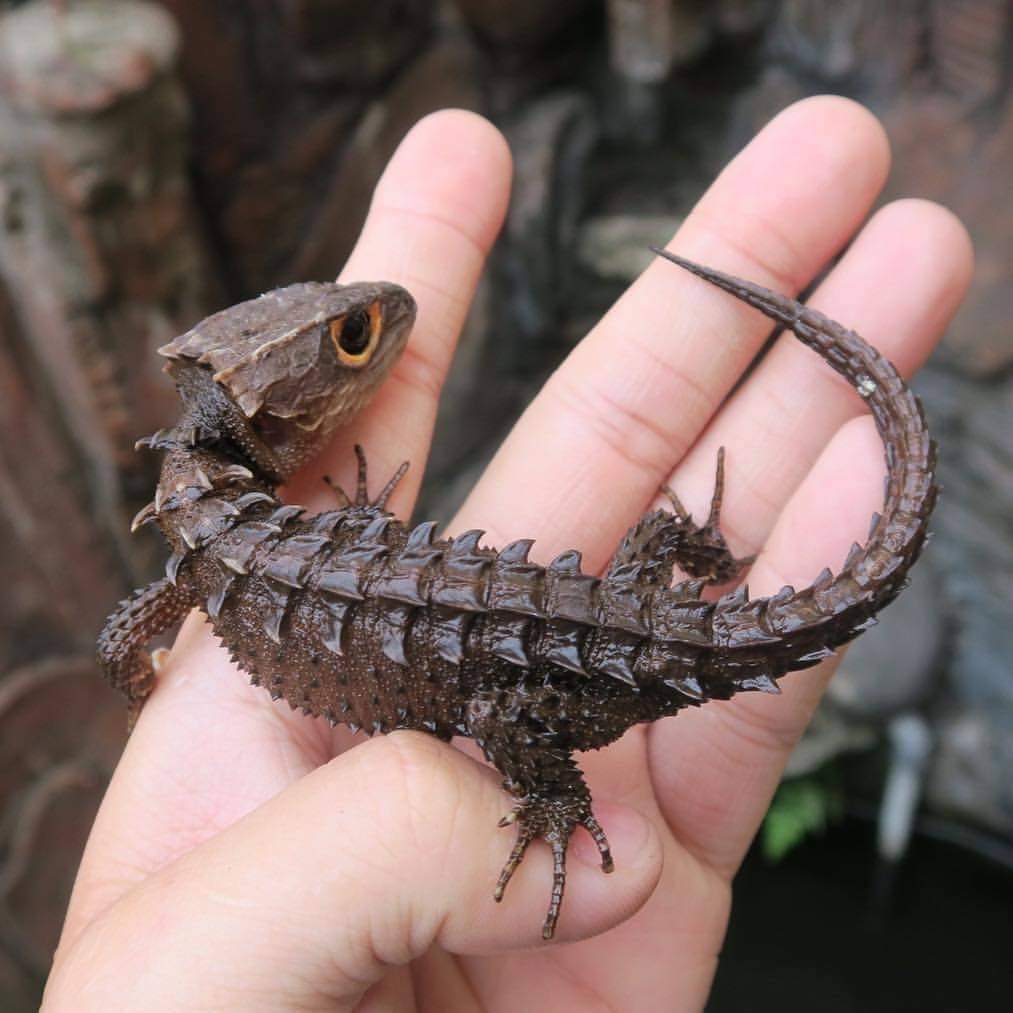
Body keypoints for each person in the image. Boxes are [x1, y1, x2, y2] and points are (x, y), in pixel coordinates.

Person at [43, 96, 972, 1010]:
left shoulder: (195, 570)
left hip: (559, 672)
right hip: (571, 654)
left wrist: (145, 694)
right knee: (569, 625)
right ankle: (691, 581)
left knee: (503, 696)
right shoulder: (228, 558)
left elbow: (122, 641)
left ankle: (565, 781)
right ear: (268, 424)